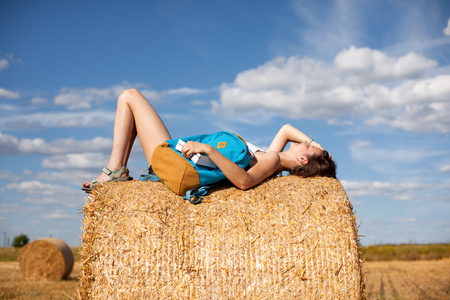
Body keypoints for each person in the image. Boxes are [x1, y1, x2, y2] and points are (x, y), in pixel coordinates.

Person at [82, 89, 336, 191]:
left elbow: (245, 182)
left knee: (129, 97)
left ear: (303, 158)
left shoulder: (271, 160)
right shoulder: (273, 157)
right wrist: (321, 148)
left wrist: (210, 150)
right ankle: (117, 170)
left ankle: (115, 170)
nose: (305, 141)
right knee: (130, 100)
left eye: (308, 146)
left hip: (178, 165)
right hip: (179, 163)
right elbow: (286, 128)